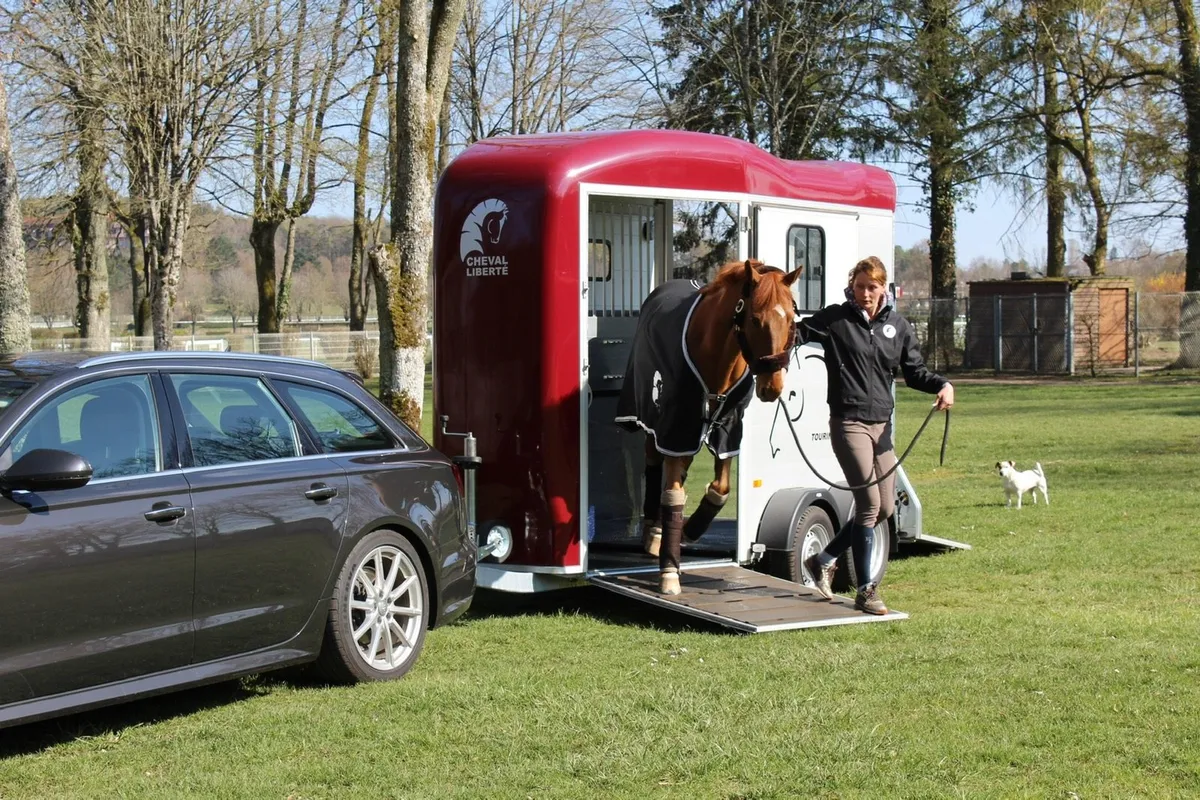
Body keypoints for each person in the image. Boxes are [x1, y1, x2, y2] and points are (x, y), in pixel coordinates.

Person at [798, 256, 954, 615]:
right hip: (849, 423)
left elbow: (914, 372)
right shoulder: (835, 319)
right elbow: (798, 333)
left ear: (884, 288)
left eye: (872, 287)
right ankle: (867, 591)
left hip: (882, 425)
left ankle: (822, 559)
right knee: (869, 504)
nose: (865, 293)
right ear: (851, 286)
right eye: (860, 286)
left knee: (885, 507)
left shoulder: (896, 326)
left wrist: (943, 384)